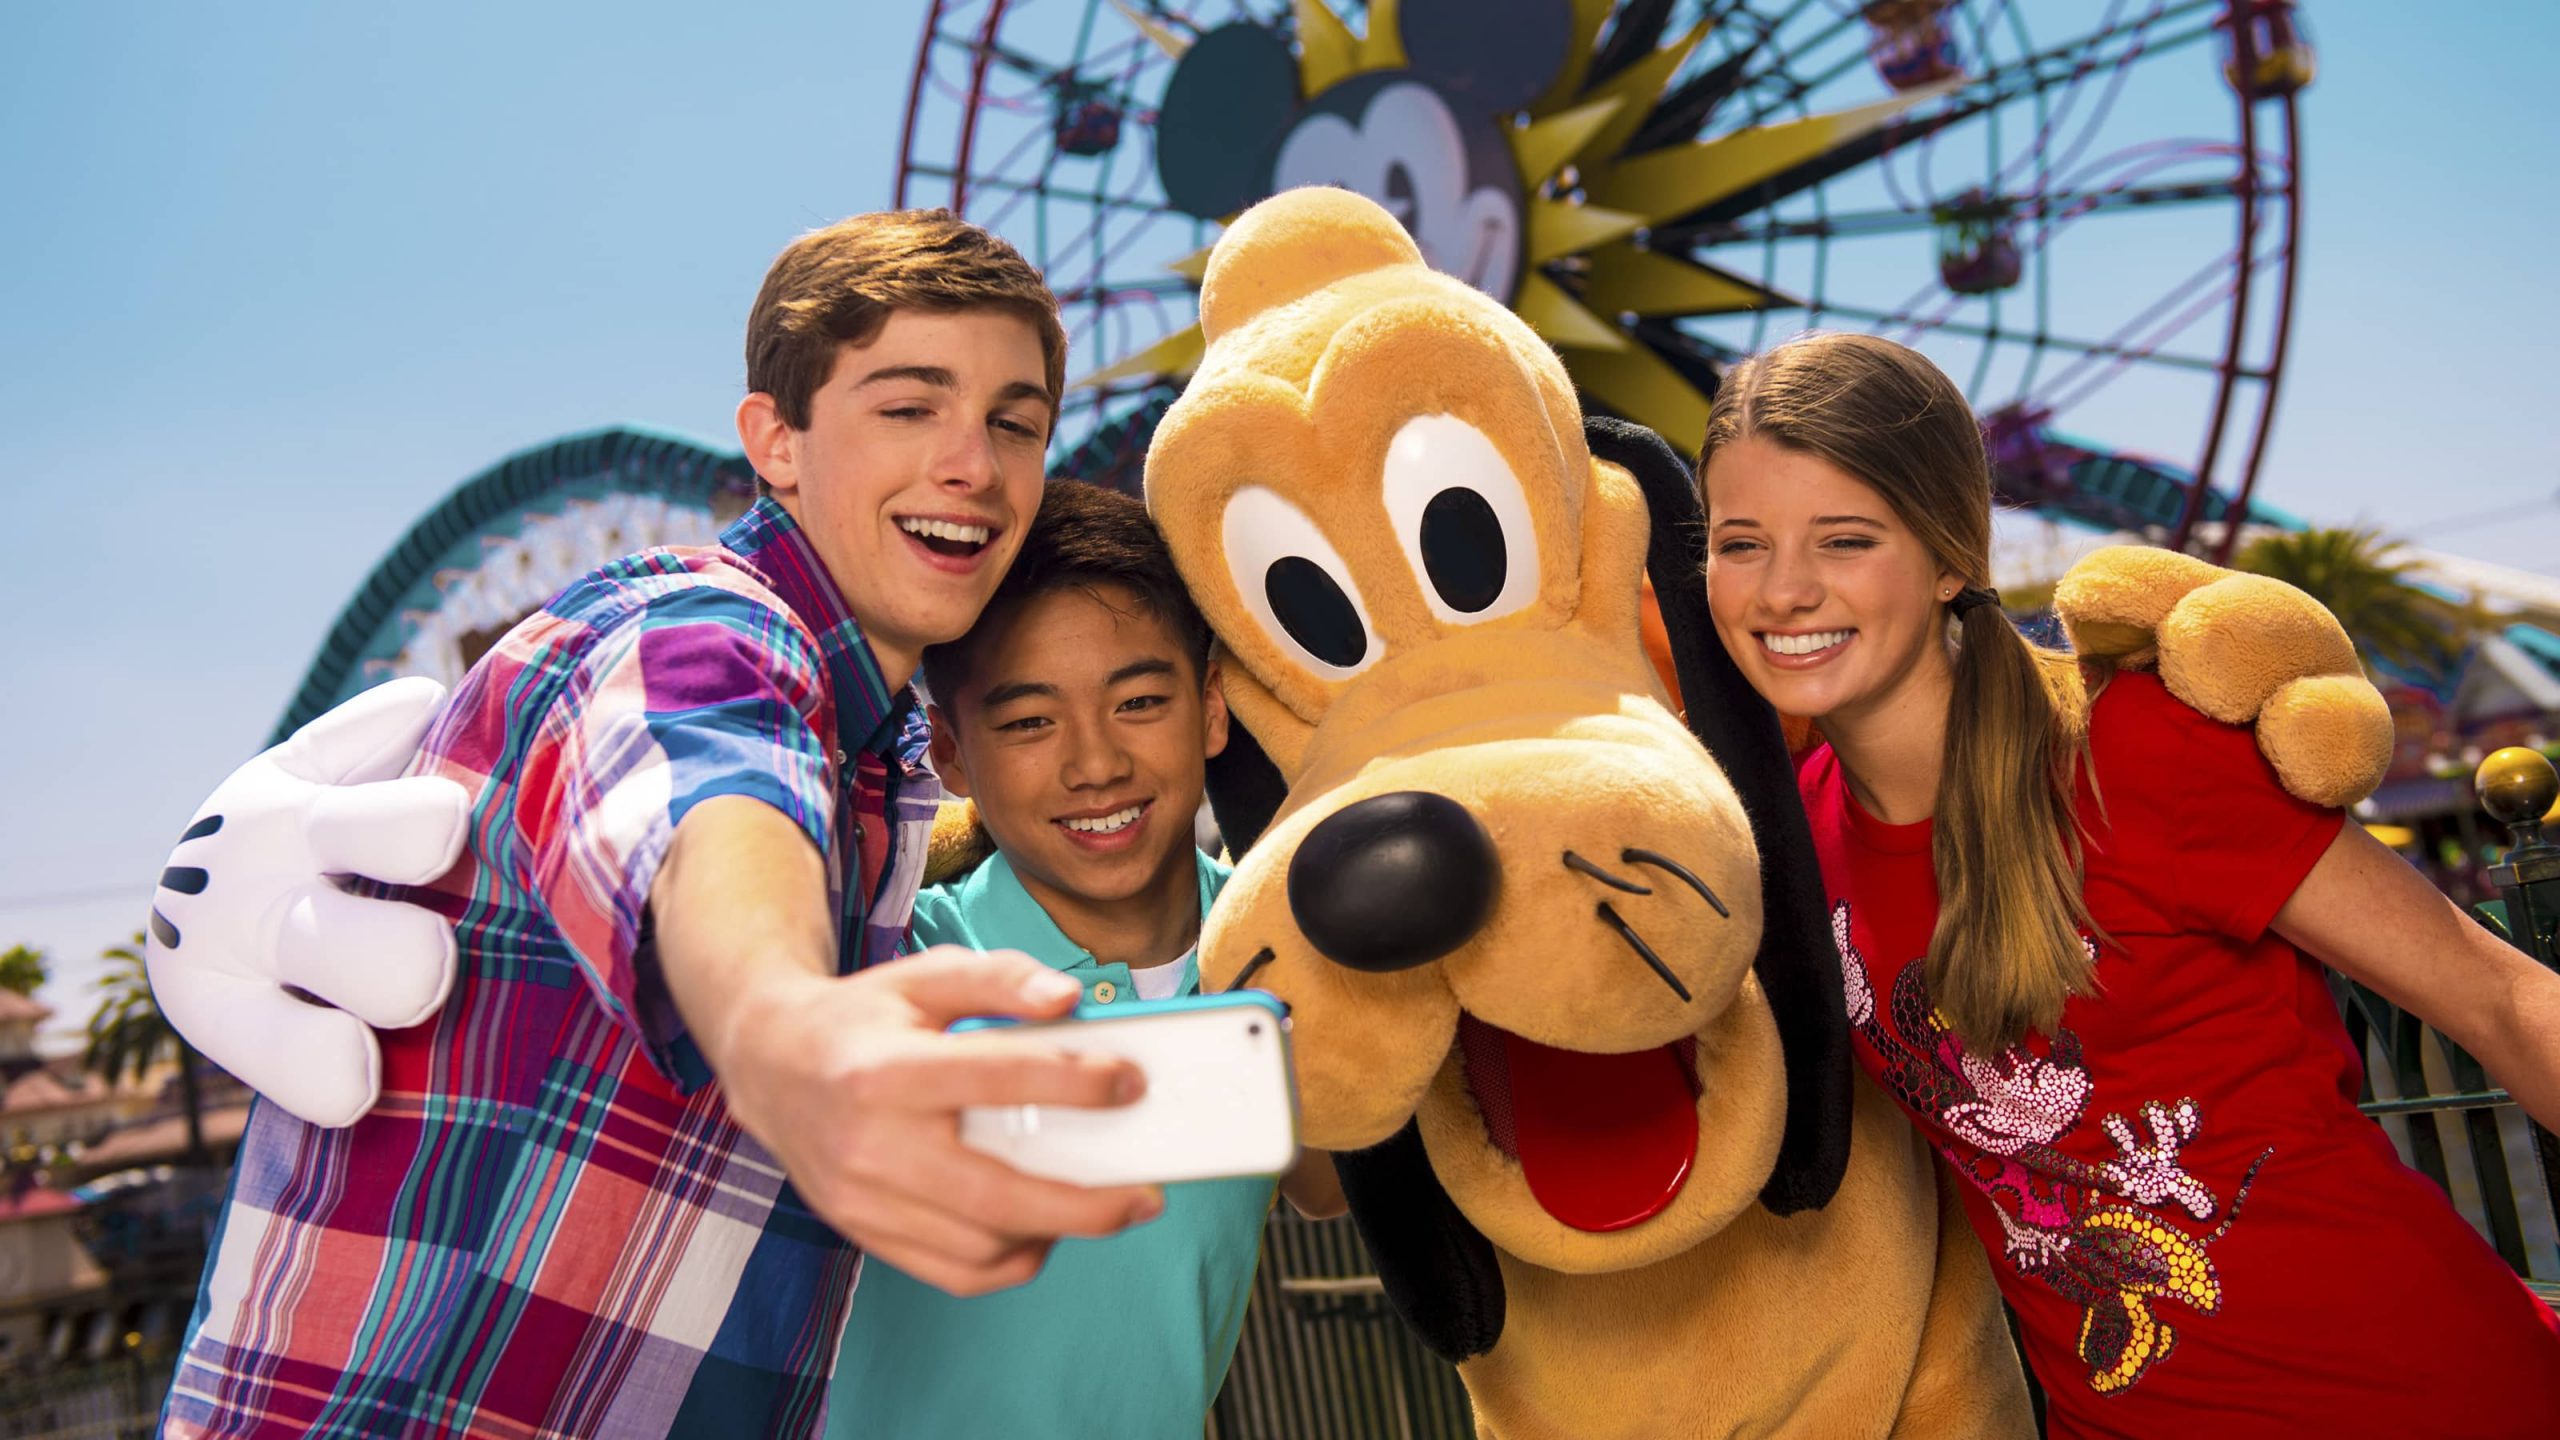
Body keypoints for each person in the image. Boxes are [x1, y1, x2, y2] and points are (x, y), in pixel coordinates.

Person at [164, 211, 1164, 1439]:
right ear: (775, 442)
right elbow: (706, 789)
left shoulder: (882, 769)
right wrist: (786, 1026)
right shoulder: (685, 624)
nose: (974, 462)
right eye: (909, 407)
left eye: (1015, 421)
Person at [1697, 331, 2560, 1438]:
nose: (1784, 590)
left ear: (1949, 553)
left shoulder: (2134, 751)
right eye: (1739, 543)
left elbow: (2499, 998)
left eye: (1845, 539)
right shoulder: (1796, 842)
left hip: (2419, 1395)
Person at [829, 479, 1341, 1438]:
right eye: (1029, 722)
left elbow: (1331, 1186)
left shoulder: (1282, 951)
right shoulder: (896, 967)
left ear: (1213, 706)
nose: (1095, 763)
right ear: (948, 754)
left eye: (1140, 700)